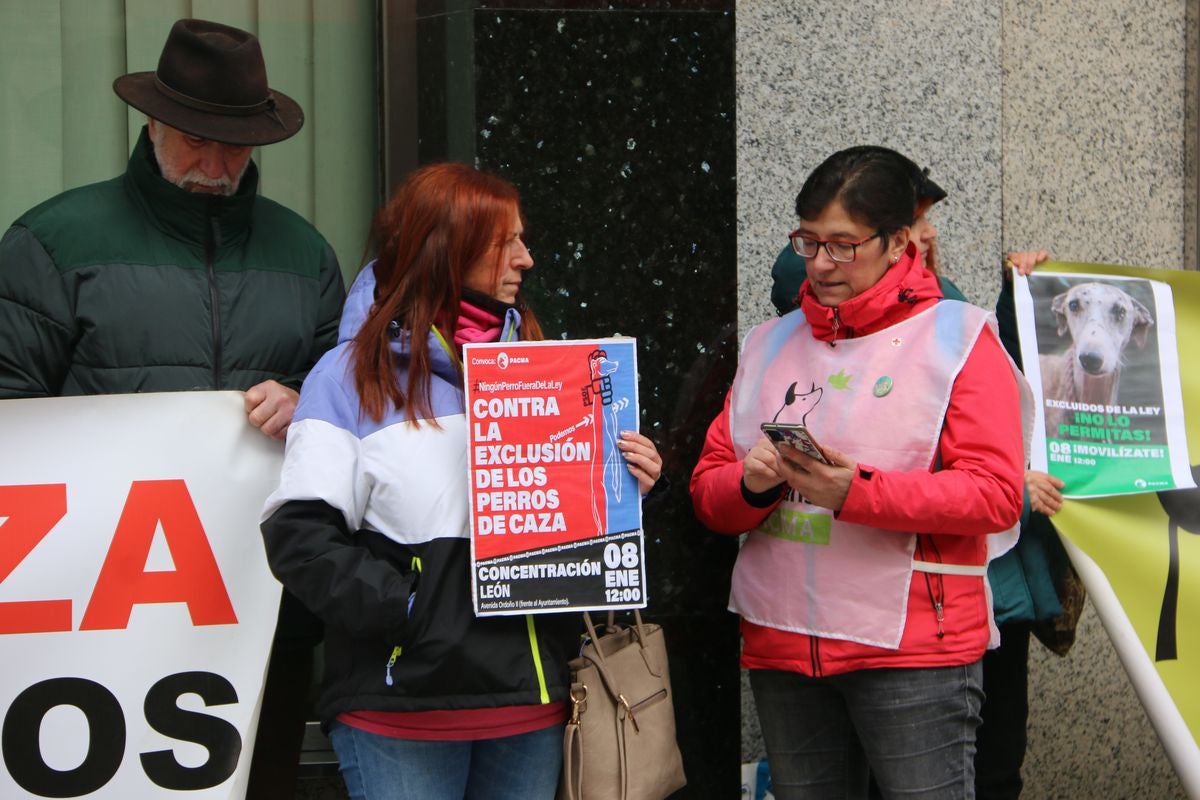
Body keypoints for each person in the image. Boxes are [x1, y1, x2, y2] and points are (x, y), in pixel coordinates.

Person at [0, 18, 346, 798]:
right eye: (195, 138)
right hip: (90, 611)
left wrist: (309, 404)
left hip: (264, 610)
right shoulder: (52, 244)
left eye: (235, 145)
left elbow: (351, 410)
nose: (215, 163)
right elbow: (6, 414)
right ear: (153, 121)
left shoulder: (305, 256)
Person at [259, 162, 664, 800]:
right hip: (402, 708)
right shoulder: (348, 377)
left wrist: (622, 482)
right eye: (506, 243)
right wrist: (409, 612)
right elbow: (298, 536)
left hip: (529, 701)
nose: (526, 260)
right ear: (446, 249)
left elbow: (560, 522)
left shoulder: (545, 368)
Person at [691, 146, 1031, 799]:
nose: (819, 263)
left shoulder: (959, 338)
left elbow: (994, 496)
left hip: (912, 651)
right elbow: (710, 490)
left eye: (843, 245)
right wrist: (751, 485)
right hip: (783, 639)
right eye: (808, 241)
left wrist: (858, 493)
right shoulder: (769, 342)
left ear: (900, 240)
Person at [769, 148, 965, 315]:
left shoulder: (952, 319)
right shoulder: (776, 340)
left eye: (843, 245)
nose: (930, 232)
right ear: (897, 240)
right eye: (915, 220)